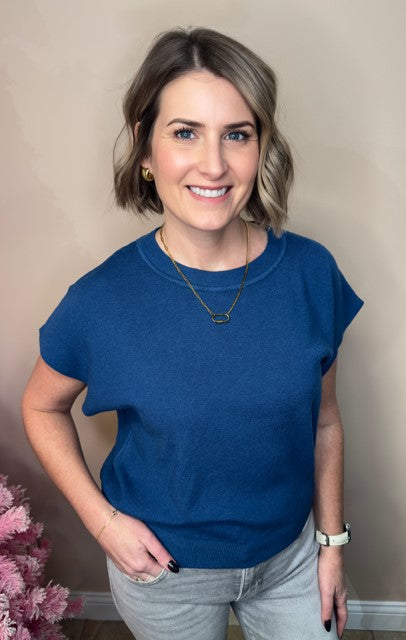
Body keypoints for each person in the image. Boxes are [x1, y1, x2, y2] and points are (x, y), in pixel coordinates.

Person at [22, 26, 364, 640]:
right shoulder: (101, 300)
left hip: (290, 561)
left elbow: (325, 422)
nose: (214, 164)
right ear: (145, 148)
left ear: (261, 147)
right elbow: (41, 406)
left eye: (237, 134)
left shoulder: (311, 273)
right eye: (185, 133)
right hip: (166, 577)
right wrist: (104, 524)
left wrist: (331, 545)